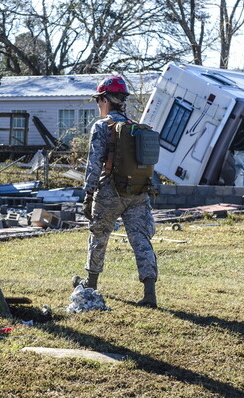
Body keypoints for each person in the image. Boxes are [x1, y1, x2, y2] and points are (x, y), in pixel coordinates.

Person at [72, 76, 158, 308]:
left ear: (104, 99)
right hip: (138, 192)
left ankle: (91, 285)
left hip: (110, 191)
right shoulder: (134, 127)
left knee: (99, 236)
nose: (98, 105)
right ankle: (149, 293)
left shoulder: (101, 126)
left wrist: (88, 195)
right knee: (141, 240)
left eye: (98, 100)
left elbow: (94, 165)